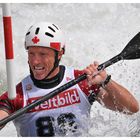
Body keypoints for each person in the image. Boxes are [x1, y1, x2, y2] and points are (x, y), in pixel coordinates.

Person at [0, 22, 139, 137]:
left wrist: (106, 81)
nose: (35, 61)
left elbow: (132, 108)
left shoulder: (83, 82)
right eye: (31, 54)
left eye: (43, 54)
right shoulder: (17, 95)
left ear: (60, 53)